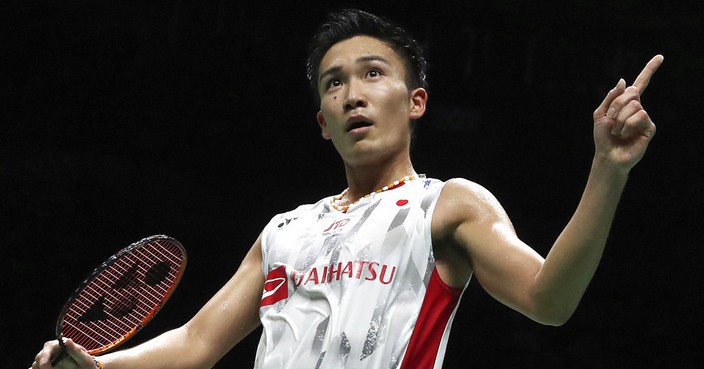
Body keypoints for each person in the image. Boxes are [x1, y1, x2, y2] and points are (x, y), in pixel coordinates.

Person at [32, 8, 663, 369]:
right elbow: (197, 343)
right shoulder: (284, 232)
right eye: (334, 84)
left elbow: (549, 300)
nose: (352, 94)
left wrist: (607, 169)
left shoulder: (446, 205)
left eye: (372, 74)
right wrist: (100, 367)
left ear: (415, 101)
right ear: (322, 123)